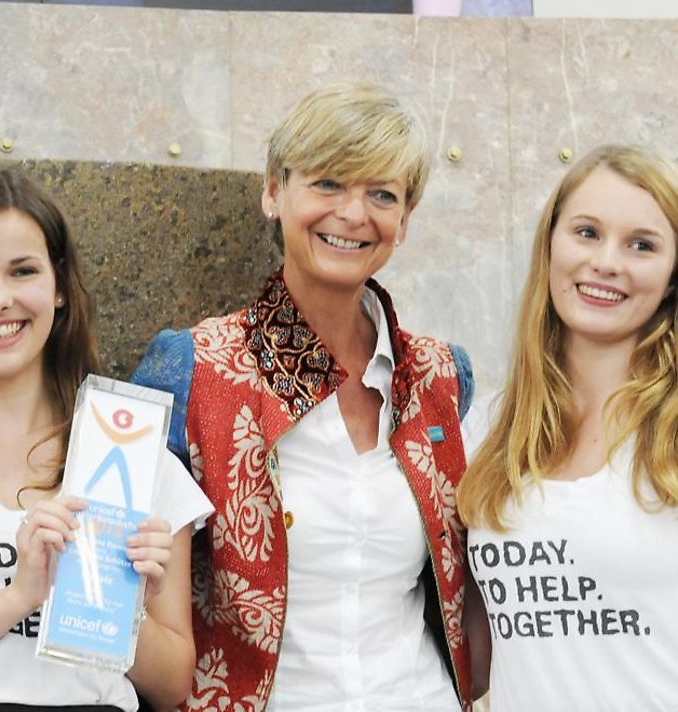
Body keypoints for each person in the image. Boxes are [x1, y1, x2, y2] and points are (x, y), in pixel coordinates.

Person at [133, 82, 476, 712]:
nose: (352, 213)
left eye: (381, 194)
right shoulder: (191, 369)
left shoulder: (442, 377)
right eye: (327, 184)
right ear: (272, 192)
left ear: (405, 217)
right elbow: (133, 597)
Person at [0, 164, 213, 711]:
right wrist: (25, 595)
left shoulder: (135, 450)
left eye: (22, 271)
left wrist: (121, 611)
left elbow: (171, 690)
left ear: (58, 288)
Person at [457, 145, 678, 711]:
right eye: (587, 232)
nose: (607, 262)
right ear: (551, 245)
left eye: (642, 245)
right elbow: (472, 655)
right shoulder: (487, 429)